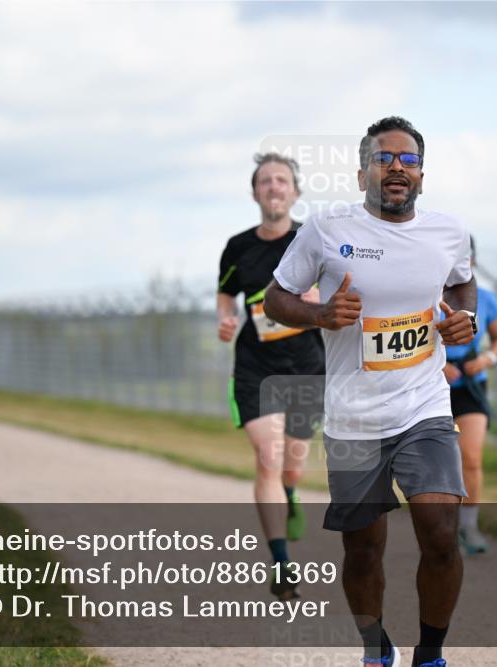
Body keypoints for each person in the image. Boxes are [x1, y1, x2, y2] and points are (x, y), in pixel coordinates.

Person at [264, 117, 476, 667]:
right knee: (362, 549)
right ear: (363, 175)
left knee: (440, 531)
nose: (397, 168)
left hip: (424, 406)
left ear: (422, 176)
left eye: (408, 160)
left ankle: (429, 654)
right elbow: (275, 298)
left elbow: (460, 280)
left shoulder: (449, 232)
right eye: (384, 159)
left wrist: (465, 318)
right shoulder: (326, 229)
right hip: (355, 418)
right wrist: (320, 314)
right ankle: (375, 647)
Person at [217, 153, 325, 601]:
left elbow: (339, 288)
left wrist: (317, 301)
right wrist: (224, 319)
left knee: (292, 462)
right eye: (266, 181)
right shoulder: (238, 246)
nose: (274, 187)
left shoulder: (313, 239)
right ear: (255, 192)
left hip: (306, 367)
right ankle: (281, 564)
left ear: (295, 192)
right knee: (269, 455)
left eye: (282, 180)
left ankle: (289, 490)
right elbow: (226, 295)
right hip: (255, 368)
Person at [443, 236, 497, 555]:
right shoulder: (426, 299)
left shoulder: (485, 299)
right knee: (441, 463)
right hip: (433, 388)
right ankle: (443, 526)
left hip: (471, 386)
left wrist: (486, 360)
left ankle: (469, 526)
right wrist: (438, 366)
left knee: (470, 456)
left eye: (464, 258)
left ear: (472, 262)